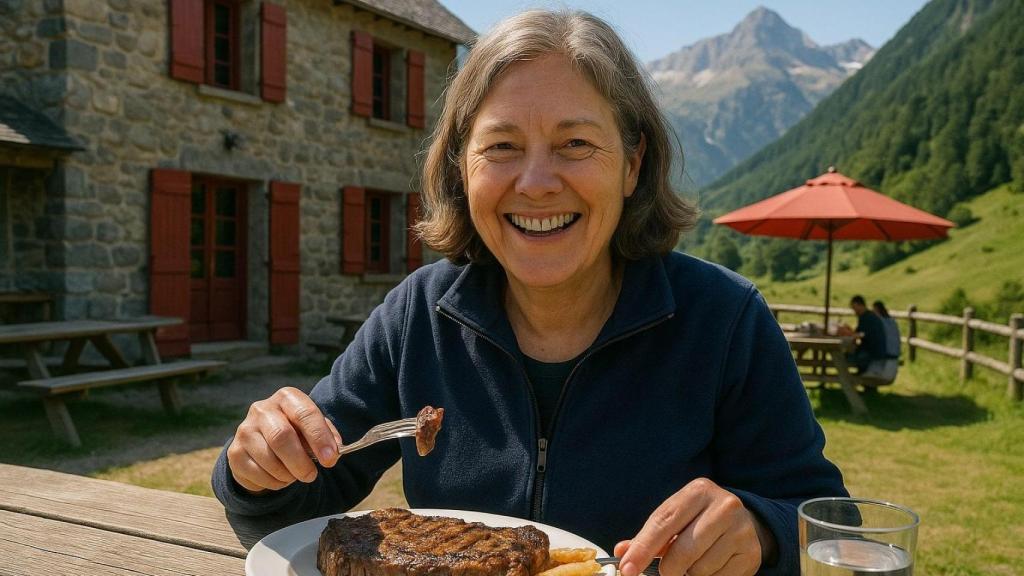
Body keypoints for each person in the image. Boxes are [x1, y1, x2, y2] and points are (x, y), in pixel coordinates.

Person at [211, 10, 847, 576]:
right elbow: (300, 495)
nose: (537, 183)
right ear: (462, 168)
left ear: (631, 165)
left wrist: (760, 529)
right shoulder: (418, 315)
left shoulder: (724, 319)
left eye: (575, 144)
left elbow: (828, 523)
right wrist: (257, 467)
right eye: (503, 147)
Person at [837, 295, 887, 373]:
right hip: (871, 351)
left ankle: (848, 380)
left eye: (854, 307)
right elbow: (858, 333)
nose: (854, 311)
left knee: (843, 358)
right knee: (845, 356)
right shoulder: (866, 316)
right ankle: (852, 378)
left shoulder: (868, 317)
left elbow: (860, 335)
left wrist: (848, 333)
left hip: (873, 354)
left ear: (860, 305)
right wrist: (849, 330)